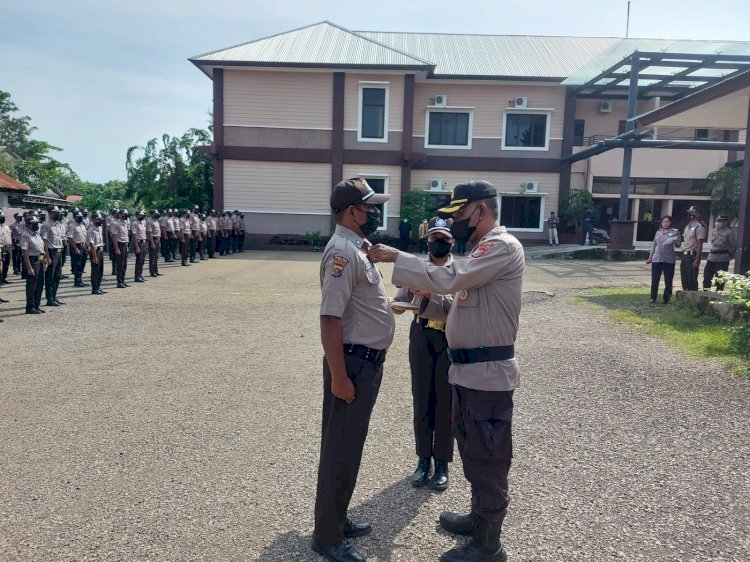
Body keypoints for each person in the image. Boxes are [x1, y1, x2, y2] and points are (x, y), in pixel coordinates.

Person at [369, 180, 524, 562]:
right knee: (473, 452)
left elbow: (450, 278)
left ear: (481, 211)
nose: (455, 221)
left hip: (487, 374)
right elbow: (454, 308)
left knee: (488, 457)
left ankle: (488, 545)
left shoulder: (499, 247)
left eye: (459, 213)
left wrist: (397, 258)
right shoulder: (480, 253)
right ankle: (478, 518)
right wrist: (422, 306)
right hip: (469, 373)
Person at [312, 177, 394, 562]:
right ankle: (327, 537)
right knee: (340, 449)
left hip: (365, 362)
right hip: (353, 365)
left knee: (350, 446)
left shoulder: (359, 249)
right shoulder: (342, 253)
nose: (374, 212)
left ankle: (338, 518)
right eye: (369, 206)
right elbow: (330, 320)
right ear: (351, 211)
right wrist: (340, 377)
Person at [394, 216, 455, 492]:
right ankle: (423, 460)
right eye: (434, 238)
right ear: (427, 240)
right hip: (420, 335)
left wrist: (431, 294)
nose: (439, 243)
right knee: (422, 398)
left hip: (447, 338)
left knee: (445, 402)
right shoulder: (417, 267)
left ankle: (442, 463)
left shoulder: (461, 271)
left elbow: (458, 306)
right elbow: (403, 298)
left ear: (452, 241)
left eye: (444, 238)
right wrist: (396, 303)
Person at [645, 215, 680, 304]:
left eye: (667, 221)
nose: (665, 223)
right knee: (655, 279)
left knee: (668, 280)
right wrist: (650, 258)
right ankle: (653, 297)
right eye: (663, 222)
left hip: (668, 259)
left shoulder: (675, 232)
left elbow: (678, 245)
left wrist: (674, 241)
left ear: (670, 222)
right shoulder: (658, 232)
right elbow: (654, 246)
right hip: (657, 259)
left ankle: (666, 298)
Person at [41, 206, 67, 307]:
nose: (58, 214)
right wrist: (47, 257)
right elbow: (44, 241)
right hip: (52, 252)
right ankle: (49, 298)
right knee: (50, 277)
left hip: (59, 252)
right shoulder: (46, 225)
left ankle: (54, 296)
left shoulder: (57, 224)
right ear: (50, 213)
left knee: (57, 276)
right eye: (56, 212)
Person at [21, 216, 47, 315]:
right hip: (32, 261)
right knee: (32, 285)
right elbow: (25, 252)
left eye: (37, 223)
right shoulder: (25, 235)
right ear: (28, 224)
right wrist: (29, 268)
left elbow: (41, 248)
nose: (36, 225)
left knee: (40, 284)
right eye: (33, 223)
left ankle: (37, 305)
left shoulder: (37, 234)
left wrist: (44, 258)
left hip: (40, 261)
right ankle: (30, 307)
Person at [703, 214, 735, 291]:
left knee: (720, 279)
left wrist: (729, 255)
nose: (717, 223)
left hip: (722, 259)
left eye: (720, 221)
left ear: (725, 222)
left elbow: (734, 246)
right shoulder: (713, 231)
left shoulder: (729, 232)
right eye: (717, 221)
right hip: (711, 258)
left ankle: (718, 296)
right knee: (707, 277)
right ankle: (706, 295)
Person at [680, 206, 707, 291]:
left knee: (691, 279)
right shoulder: (688, 226)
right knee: (684, 278)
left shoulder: (699, 227)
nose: (690, 214)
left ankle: (693, 297)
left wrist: (697, 259)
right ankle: (684, 297)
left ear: (698, 214)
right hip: (684, 254)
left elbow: (700, 244)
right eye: (689, 212)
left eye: (692, 212)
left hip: (692, 256)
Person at [67, 211, 89, 287]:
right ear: (75, 217)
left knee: (82, 264)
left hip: (84, 246)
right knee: (77, 264)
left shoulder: (82, 226)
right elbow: (70, 238)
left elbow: (85, 237)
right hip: (77, 246)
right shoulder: (72, 226)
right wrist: (75, 248)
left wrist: (87, 245)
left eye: (81, 217)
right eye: (78, 217)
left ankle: (80, 280)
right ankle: (77, 281)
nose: (80, 218)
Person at [87, 212, 106, 295]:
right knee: (95, 270)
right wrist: (94, 256)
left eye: (100, 219)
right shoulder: (91, 230)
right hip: (95, 251)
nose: (100, 221)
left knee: (100, 270)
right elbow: (91, 244)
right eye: (98, 219)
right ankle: (94, 288)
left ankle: (98, 286)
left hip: (100, 250)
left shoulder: (100, 228)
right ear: (93, 219)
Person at [112, 209, 131, 288]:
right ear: (119, 215)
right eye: (123, 214)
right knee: (120, 264)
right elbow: (114, 236)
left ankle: (123, 280)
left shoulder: (125, 223)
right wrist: (117, 248)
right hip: (120, 244)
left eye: (126, 215)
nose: (125, 216)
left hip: (125, 244)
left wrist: (127, 245)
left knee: (124, 264)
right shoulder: (116, 223)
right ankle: (119, 282)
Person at [146, 209, 162, 277]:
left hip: (157, 239)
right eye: (155, 214)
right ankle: (152, 271)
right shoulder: (149, 221)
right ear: (151, 214)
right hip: (153, 240)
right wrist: (152, 243)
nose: (156, 215)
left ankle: (156, 270)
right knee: (152, 256)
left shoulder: (156, 221)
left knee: (156, 256)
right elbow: (149, 233)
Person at [0, 212, 11, 285]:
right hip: (1, 247)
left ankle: (4, 278)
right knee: (1, 264)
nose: (2, 218)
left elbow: (9, 236)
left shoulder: (6, 227)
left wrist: (11, 245)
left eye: (3, 217)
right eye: (1, 217)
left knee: (7, 263)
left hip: (8, 247)